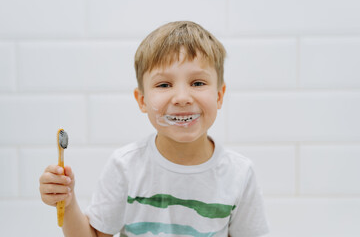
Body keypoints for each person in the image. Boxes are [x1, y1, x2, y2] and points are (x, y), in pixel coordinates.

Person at [39, 21, 269, 237]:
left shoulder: (239, 174)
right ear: (142, 100)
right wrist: (67, 204)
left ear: (219, 96)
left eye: (198, 83)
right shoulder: (125, 166)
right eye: (164, 85)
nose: (181, 98)